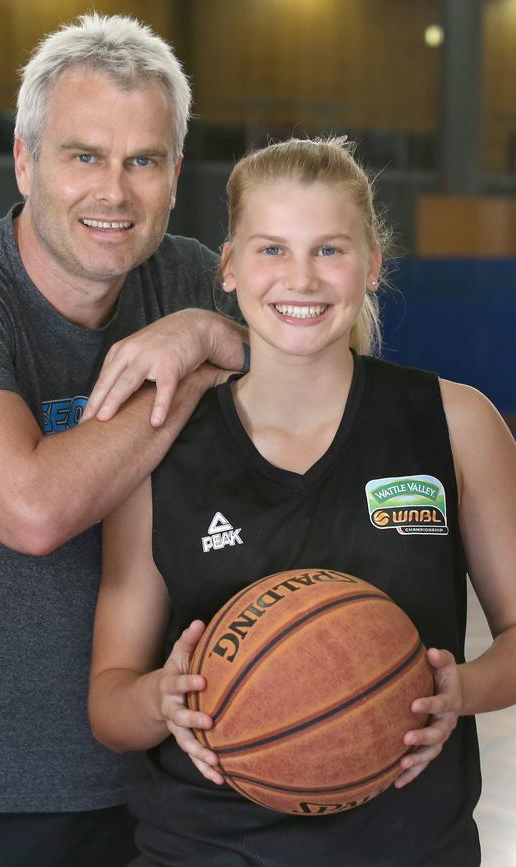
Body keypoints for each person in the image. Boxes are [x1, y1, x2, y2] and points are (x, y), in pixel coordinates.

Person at [0, 13, 246, 867]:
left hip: (147, 775)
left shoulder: (187, 278)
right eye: (84, 156)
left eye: (142, 161)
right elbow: (33, 509)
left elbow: (324, 379)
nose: (113, 192)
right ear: (24, 160)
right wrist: (194, 361)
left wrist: (212, 331)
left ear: (176, 174)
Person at [88, 136, 516, 866]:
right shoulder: (162, 446)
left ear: (373, 263)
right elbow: (108, 701)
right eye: (271, 249)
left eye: (329, 250)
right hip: (206, 847)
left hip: (410, 848)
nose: (301, 278)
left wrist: (462, 689)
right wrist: (161, 699)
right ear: (227, 267)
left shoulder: (456, 423)